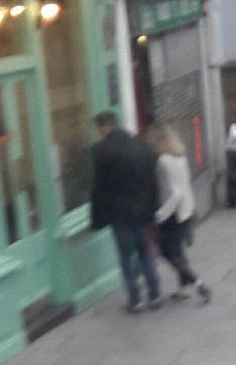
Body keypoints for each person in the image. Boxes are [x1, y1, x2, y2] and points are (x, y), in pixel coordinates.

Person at [89, 111, 162, 313]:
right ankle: (154, 295)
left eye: (98, 128)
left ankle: (135, 299)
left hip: (119, 213)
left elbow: (99, 188)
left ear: (104, 127)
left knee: (126, 255)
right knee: (145, 253)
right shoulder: (141, 145)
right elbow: (153, 181)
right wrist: (154, 208)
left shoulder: (101, 150)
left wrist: (96, 218)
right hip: (142, 211)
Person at [146, 124, 210, 303]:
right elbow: (185, 187)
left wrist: (160, 215)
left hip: (172, 216)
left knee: (169, 253)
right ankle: (182, 289)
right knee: (179, 252)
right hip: (185, 212)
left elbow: (175, 193)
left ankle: (198, 283)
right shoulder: (180, 157)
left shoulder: (163, 161)